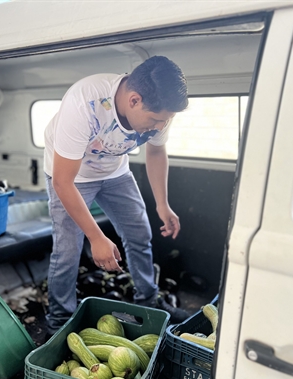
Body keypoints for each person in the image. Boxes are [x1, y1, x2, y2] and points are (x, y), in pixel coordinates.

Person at [43, 55, 190, 335]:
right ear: (134, 100)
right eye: (156, 120)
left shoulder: (159, 111)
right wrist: (96, 237)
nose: (160, 127)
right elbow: (63, 182)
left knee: (140, 234)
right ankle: (59, 320)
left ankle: (149, 301)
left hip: (115, 172)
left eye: (166, 121)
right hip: (72, 176)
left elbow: (156, 151)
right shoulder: (84, 103)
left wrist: (162, 204)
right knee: (68, 249)